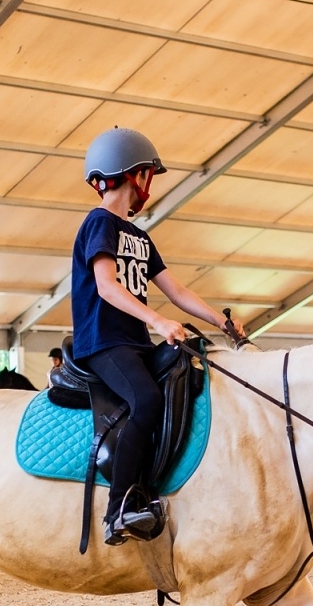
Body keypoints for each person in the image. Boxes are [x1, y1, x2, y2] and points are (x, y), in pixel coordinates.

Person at [71, 127, 243, 546]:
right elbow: (108, 287)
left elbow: (178, 291)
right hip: (103, 343)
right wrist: (160, 322)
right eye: (148, 174)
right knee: (145, 399)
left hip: (134, 343)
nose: (149, 184)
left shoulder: (140, 238)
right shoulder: (100, 224)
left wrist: (221, 324)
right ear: (132, 174)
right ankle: (119, 510)